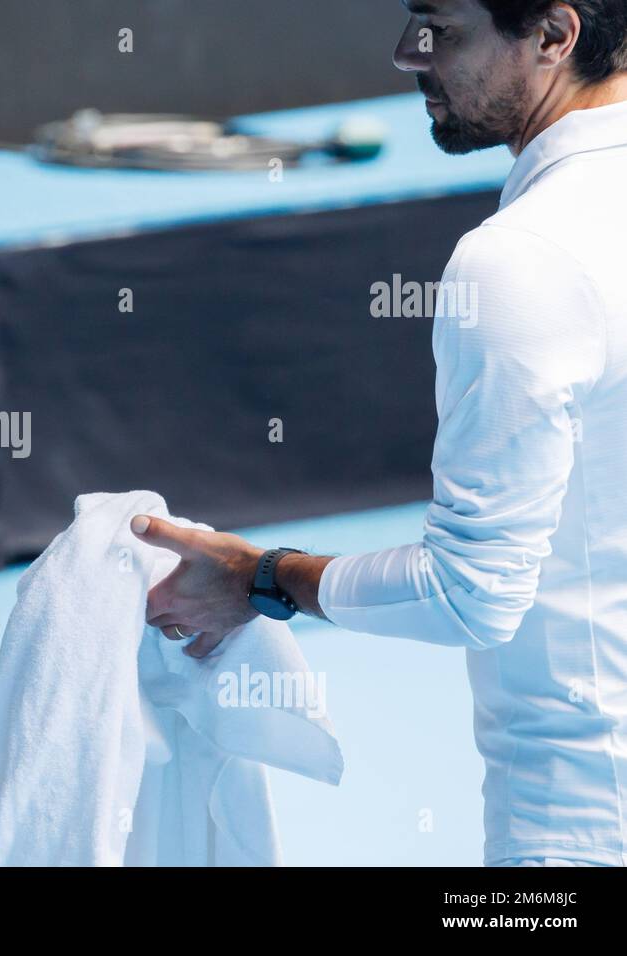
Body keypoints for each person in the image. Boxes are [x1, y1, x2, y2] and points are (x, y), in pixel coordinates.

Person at [137, 0, 627, 866]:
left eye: (439, 25)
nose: (408, 54)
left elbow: (468, 594)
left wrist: (261, 577)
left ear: (555, 36)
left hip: (579, 822)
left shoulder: (518, 261)